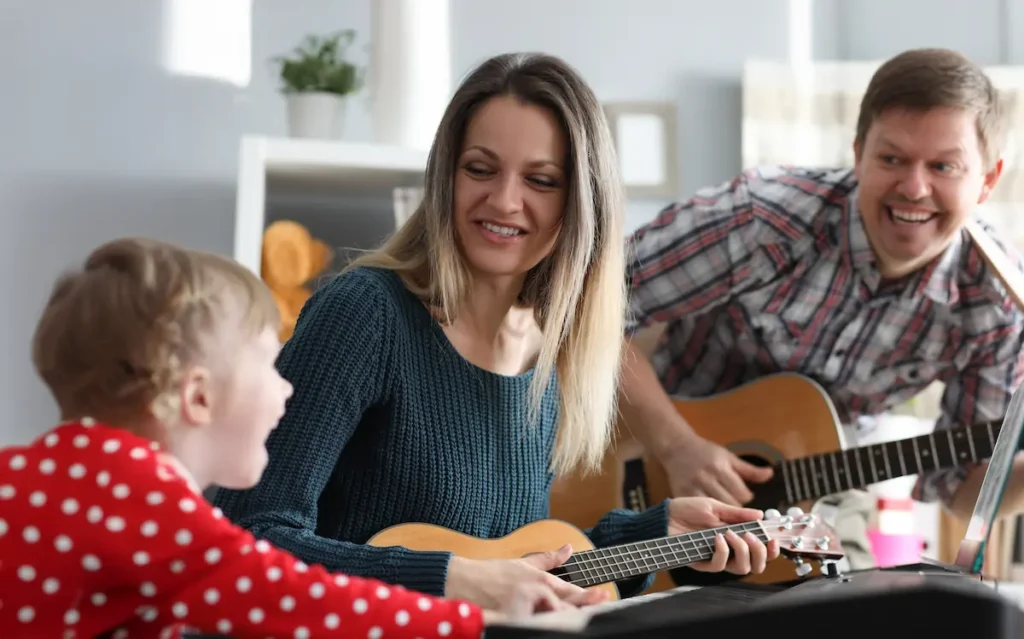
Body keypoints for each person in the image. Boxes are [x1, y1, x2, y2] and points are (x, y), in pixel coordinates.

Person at [212, 51, 779, 610]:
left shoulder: (548, 352)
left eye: (541, 179)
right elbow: (247, 541)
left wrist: (654, 538)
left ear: (582, 205)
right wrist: (448, 579)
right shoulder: (363, 315)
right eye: (480, 169)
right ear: (446, 177)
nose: (505, 200)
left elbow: (510, 563)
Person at [0, 237, 585, 639]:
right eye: (267, 362)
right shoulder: (140, 498)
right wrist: (474, 619)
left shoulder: (63, 476)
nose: (287, 389)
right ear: (198, 397)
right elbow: (291, 600)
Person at [617, 46, 1024, 577]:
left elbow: (963, 495)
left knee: (853, 616)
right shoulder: (763, 217)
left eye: (943, 166)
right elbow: (583, 310)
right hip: (641, 462)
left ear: (988, 180)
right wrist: (676, 445)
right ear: (857, 154)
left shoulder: (997, 306)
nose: (914, 188)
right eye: (892, 158)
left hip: (822, 499)